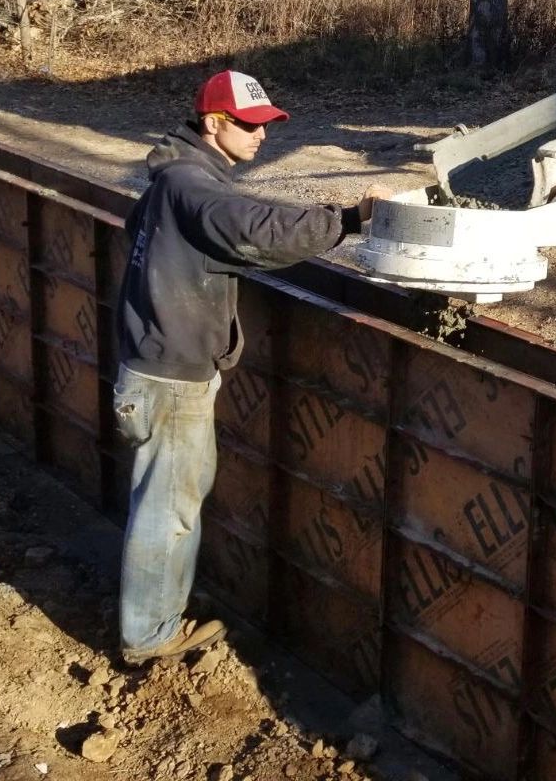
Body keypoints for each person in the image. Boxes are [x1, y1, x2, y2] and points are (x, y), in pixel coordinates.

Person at [113, 69, 388, 665]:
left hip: (155, 368)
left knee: (168, 503)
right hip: (171, 379)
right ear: (214, 123)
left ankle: (156, 612)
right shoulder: (193, 187)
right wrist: (349, 217)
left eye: (267, 125)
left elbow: (162, 231)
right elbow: (256, 232)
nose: (263, 135)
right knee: (169, 512)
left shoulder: (175, 180)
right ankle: (148, 636)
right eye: (251, 125)